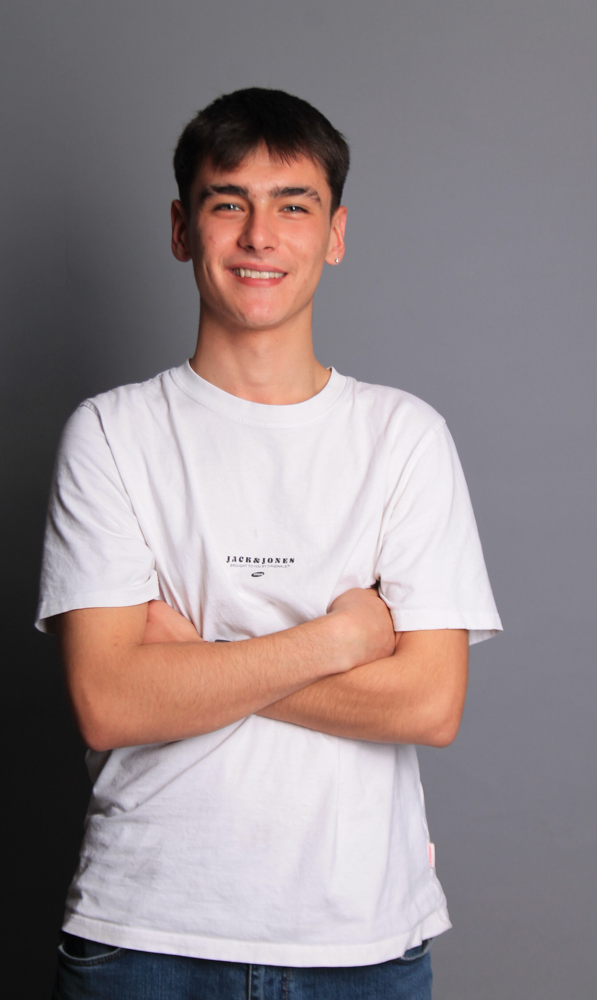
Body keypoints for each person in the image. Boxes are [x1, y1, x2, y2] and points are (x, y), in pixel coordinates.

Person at [37, 87, 502, 999]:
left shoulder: (403, 437)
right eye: (228, 204)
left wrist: (193, 665)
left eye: (293, 206)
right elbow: (109, 702)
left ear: (334, 233)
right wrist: (340, 639)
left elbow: (428, 704)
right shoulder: (112, 434)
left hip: (362, 945)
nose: (260, 237)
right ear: (183, 229)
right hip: (144, 940)